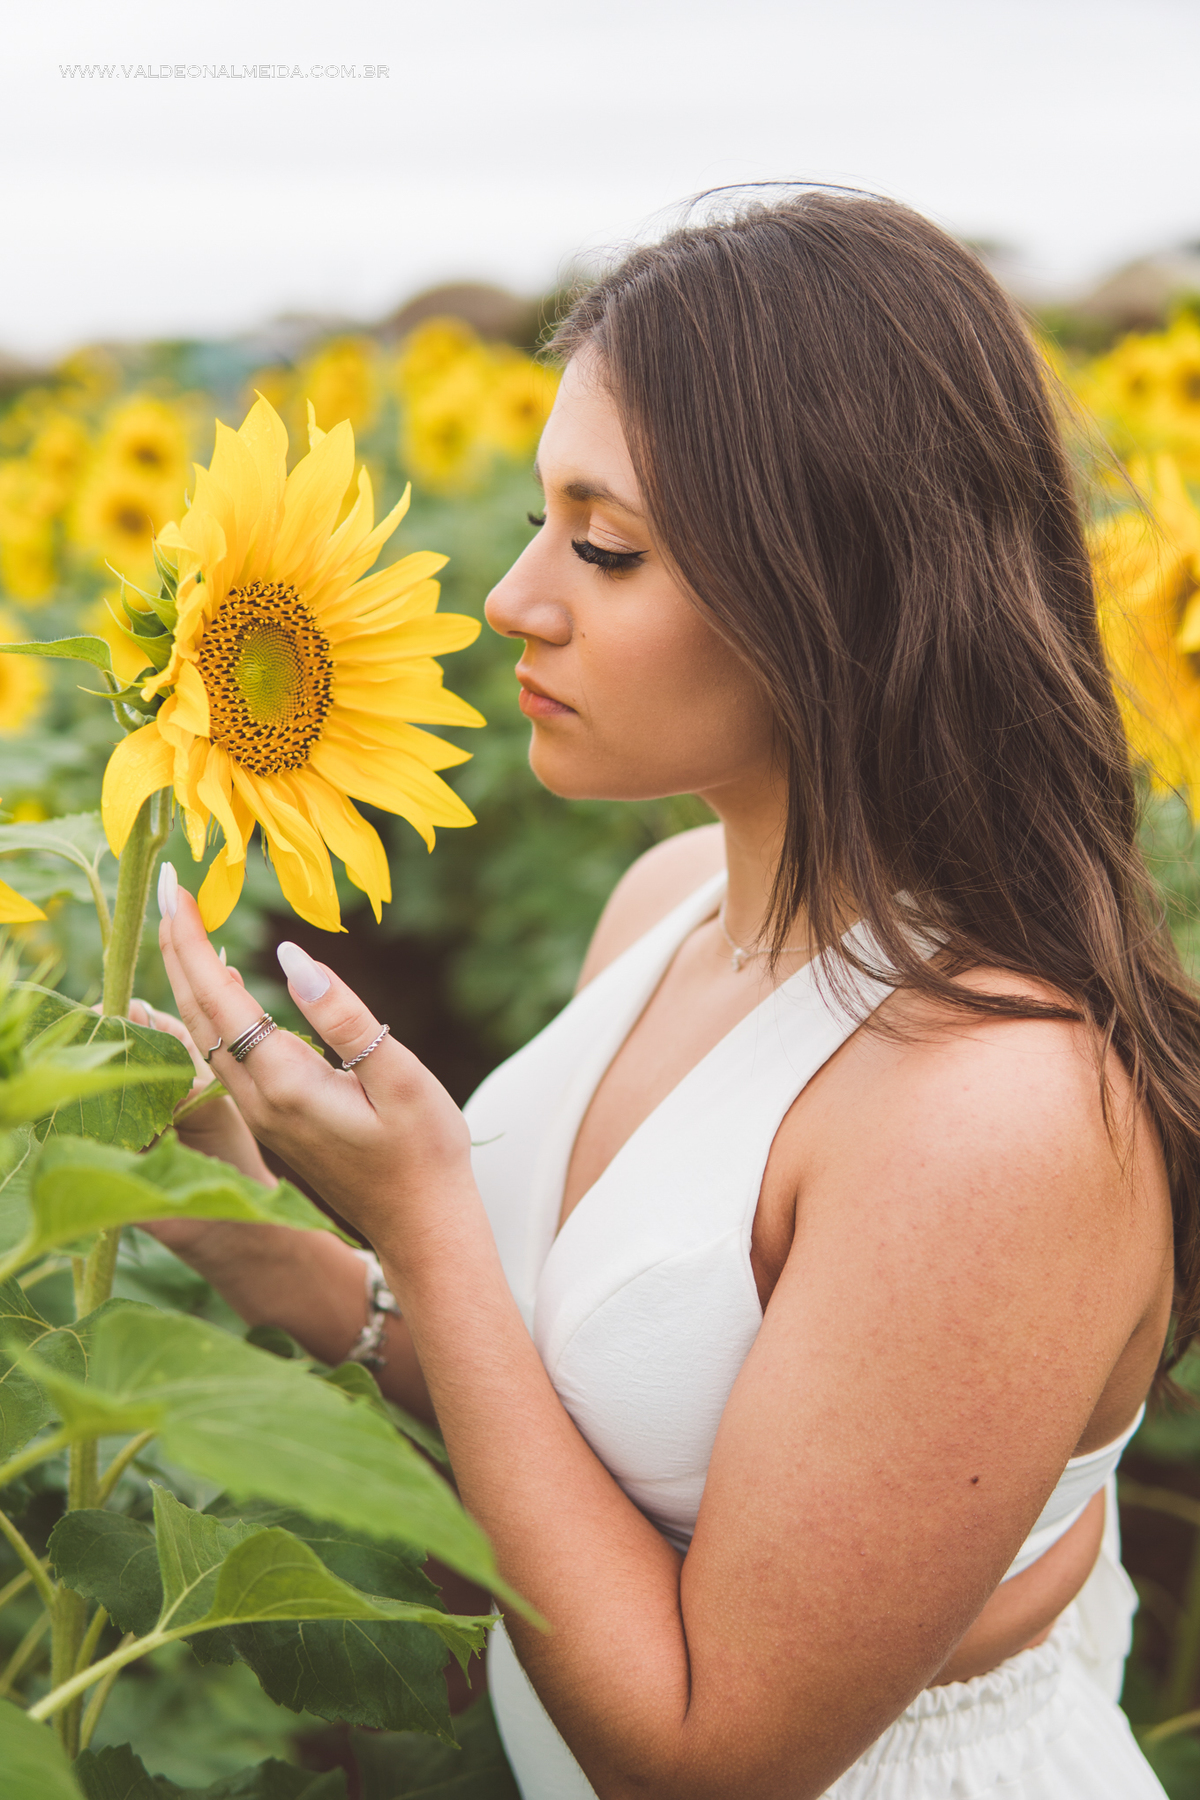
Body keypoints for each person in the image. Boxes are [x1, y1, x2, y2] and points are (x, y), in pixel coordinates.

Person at [143, 191, 1194, 1798]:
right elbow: (607, 1424)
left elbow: (710, 1760)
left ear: (831, 588)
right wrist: (268, 1240)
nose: (513, 598)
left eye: (605, 544)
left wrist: (424, 1218)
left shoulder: (999, 1111)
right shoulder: (666, 907)